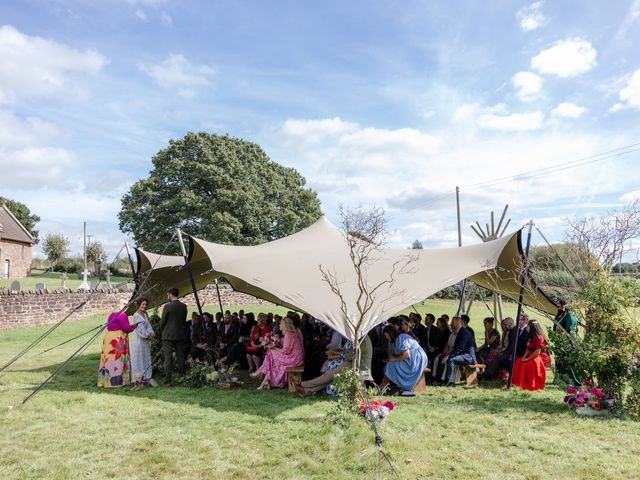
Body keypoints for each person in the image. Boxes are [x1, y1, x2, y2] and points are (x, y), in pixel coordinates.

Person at [296, 335, 374, 397]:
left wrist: (335, 354)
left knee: (329, 375)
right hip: (353, 364)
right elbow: (348, 354)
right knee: (331, 377)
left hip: (360, 368)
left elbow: (349, 356)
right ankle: (306, 391)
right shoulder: (361, 338)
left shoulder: (363, 340)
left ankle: (304, 384)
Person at [254, 317, 304, 389]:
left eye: (280, 323)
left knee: (271, 353)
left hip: (294, 359)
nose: (279, 325)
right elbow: (285, 345)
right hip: (294, 357)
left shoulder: (288, 334)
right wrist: (274, 339)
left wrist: (273, 347)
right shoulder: (290, 333)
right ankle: (265, 379)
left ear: (284, 325)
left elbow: (285, 351)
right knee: (271, 354)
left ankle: (262, 373)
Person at [98, 301, 138, 388]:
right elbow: (125, 328)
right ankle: (116, 381)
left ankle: (106, 380)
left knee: (108, 359)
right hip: (117, 339)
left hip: (108, 338)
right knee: (118, 360)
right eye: (126, 305)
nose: (127, 307)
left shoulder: (112, 314)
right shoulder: (122, 315)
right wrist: (133, 327)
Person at [380, 326, 428, 394]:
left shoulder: (401, 337)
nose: (386, 338)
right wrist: (390, 358)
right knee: (390, 364)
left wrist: (394, 359)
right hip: (410, 359)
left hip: (416, 359)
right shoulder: (394, 341)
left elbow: (406, 354)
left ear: (391, 334)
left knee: (390, 365)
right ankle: (384, 386)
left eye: (386, 336)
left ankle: (382, 386)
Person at [159, 287, 188, 386]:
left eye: (168, 294)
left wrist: (163, 332)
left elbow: (162, 322)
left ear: (171, 294)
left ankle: (168, 381)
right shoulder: (183, 306)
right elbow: (183, 322)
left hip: (167, 335)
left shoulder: (167, 306)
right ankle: (183, 378)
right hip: (179, 334)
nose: (167, 296)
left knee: (168, 358)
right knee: (180, 357)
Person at [512, 320, 549, 391]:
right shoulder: (531, 336)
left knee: (526, 366)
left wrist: (527, 359)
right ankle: (516, 383)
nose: (527, 327)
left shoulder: (539, 338)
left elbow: (537, 352)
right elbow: (528, 348)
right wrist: (524, 357)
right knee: (518, 362)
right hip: (529, 355)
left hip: (535, 357)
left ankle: (527, 384)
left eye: (528, 326)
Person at [129, 297, 157, 390]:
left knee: (145, 358)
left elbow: (148, 326)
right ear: (139, 305)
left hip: (145, 340)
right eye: (143, 304)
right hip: (138, 340)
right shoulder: (136, 315)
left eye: (145, 304)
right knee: (138, 359)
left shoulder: (144, 314)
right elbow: (140, 329)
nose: (144, 306)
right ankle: (138, 380)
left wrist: (152, 334)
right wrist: (147, 336)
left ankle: (146, 378)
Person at [442, 316, 476, 386]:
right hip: (463, 355)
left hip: (468, 356)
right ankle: (444, 379)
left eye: (452, 322)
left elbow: (460, 348)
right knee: (448, 358)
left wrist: (448, 356)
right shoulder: (460, 331)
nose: (451, 324)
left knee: (451, 359)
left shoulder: (464, 332)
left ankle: (447, 381)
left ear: (458, 323)